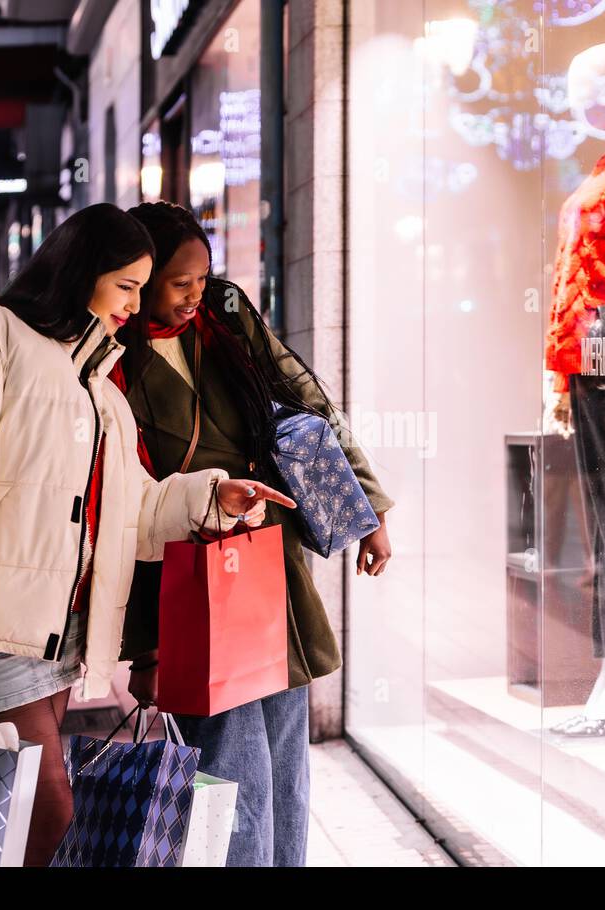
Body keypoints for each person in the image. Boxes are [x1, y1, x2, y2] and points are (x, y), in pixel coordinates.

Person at [0, 203, 295, 867]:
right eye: (126, 285)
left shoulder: (93, 381)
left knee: (4, 820)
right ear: (80, 272)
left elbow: (136, 512)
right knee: (49, 810)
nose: (135, 304)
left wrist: (216, 497)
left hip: (56, 638)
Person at [114, 201, 394, 867]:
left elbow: (309, 405)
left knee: (285, 758)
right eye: (179, 283)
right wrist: (145, 651)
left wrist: (367, 508)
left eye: (202, 279)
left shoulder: (228, 316)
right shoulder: (111, 360)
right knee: (232, 770)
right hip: (191, 581)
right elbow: (125, 509)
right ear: (144, 276)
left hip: (271, 565)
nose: (194, 296)